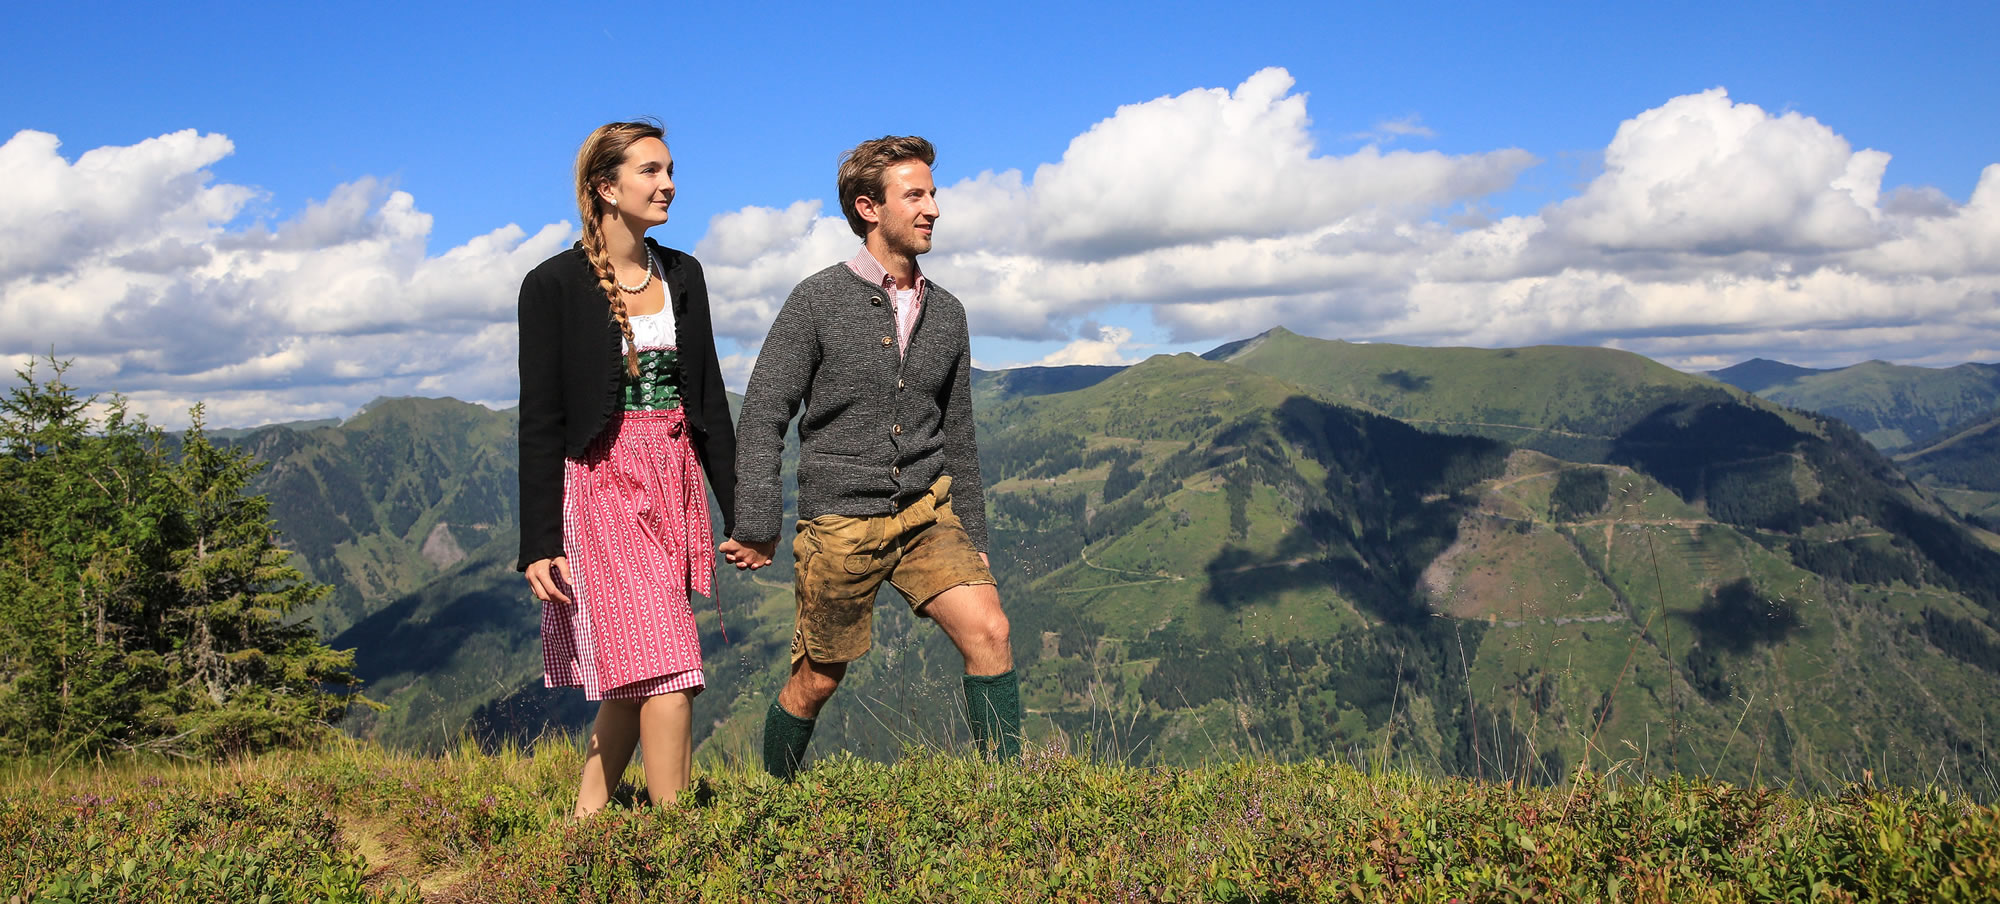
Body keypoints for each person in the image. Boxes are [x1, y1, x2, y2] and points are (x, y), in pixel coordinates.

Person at [727, 135, 1022, 779]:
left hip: (926, 511)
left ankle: (1013, 801)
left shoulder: (948, 313)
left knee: (990, 631)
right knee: (818, 680)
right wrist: (756, 521)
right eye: (914, 195)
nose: (933, 209)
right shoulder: (818, 299)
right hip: (842, 521)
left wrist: (971, 532)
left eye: (933, 194)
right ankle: (769, 803)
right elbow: (764, 412)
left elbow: (958, 434)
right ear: (869, 207)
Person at [517, 120, 762, 816]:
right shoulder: (553, 285)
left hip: (673, 476)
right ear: (606, 187)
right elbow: (539, 420)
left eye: (670, 169)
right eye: (651, 171)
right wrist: (539, 543)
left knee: (638, 671)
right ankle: (677, 837)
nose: (669, 184)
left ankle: (584, 826)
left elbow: (707, 395)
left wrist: (745, 512)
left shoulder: (682, 273)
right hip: (602, 482)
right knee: (670, 665)